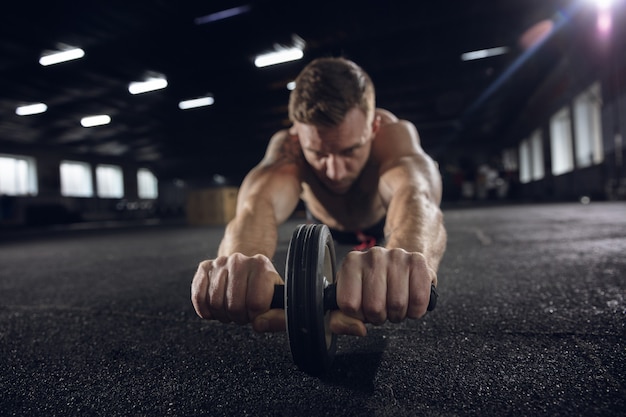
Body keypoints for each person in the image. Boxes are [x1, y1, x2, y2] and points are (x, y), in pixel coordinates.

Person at [191, 57, 447, 337]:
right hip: (323, 224)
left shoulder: (394, 137)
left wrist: (409, 256)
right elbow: (256, 205)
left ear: (373, 127)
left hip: (379, 220)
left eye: (350, 151)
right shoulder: (287, 148)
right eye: (319, 154)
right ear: (298, 135)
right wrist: (239, 265)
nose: (335, 172)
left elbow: (417, 195)